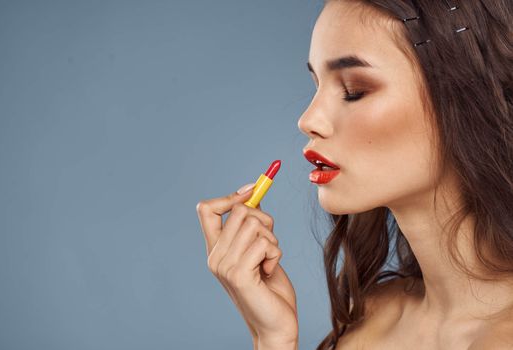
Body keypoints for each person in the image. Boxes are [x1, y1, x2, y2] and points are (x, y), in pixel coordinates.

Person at [196, 0, 513, 349]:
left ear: (469, 102)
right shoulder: (370, 316)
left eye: (353, 91)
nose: (308, 120)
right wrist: (273, 338)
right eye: (317, 85)